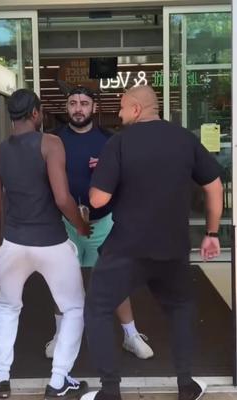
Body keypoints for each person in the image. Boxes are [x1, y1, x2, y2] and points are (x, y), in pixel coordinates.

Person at [81, 85, 223, 400]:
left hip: (127, 247)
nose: (118, 115)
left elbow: (98, 198)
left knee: (98, 308)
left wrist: (98, 183)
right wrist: (212, 234)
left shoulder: (118, 143)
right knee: (181, 308)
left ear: (135, 109)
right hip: (173, 247)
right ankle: (186, 385)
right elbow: (214, 186)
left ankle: (110, 391)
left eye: (121, 108)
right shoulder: (185, 139)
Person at [0, 88, 90, 399]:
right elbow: (62, 198)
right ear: (35, 113)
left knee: (6, 306)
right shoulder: (51, 144)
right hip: (51, 242)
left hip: (14, 242)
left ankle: (1, 377)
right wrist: (82, 227)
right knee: (73, 307)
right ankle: (58, 381)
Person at [45, 86, 153, 360]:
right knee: (62, 282)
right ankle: (60, 335)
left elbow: (130, 179)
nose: (78, 108)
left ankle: (131, 335)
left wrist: (105, 169)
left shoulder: (111, 140)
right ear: (66, 107)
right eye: (72, 103)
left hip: (103, 222)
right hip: (65, 222)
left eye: (83, 103)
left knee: (114, 280)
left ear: (94, 107)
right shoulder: (52, 140)